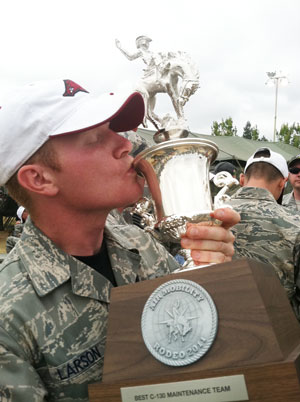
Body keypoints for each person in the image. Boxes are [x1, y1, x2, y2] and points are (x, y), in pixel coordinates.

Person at [0, 78, 239, 401]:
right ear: (39, 178)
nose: (126, 144)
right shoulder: (8, 317)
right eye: (95, 138)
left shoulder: (141, 245)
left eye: (113, 129)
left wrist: (213, 275)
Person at [229, 147, 300, 321]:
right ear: (282, 183)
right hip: (280, 333)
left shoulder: (208, 215)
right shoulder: (295, 224)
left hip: (218, 330)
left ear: (242, 179)